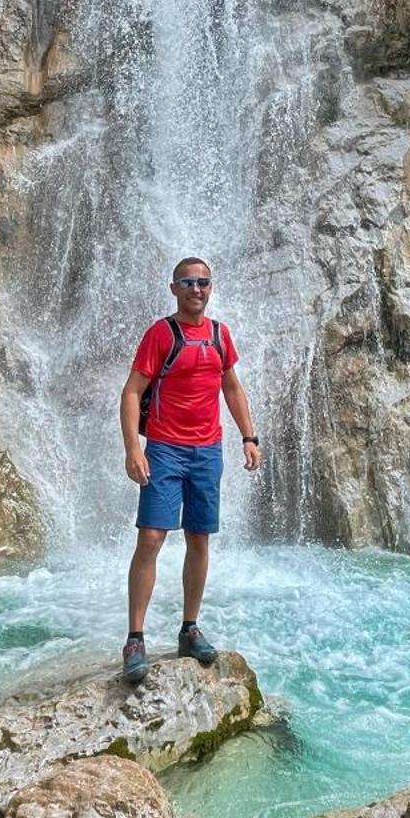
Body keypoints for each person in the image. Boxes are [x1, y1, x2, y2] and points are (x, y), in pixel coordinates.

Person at [118, 258, 261, 682]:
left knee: (199, 538)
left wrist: (249, 437)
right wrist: (133, 449)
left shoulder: (220, 334)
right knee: (152, 537)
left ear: (210, 287)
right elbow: (131, 393)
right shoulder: (161, 334)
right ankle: (135, 639)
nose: (196, 289)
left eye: (203, 282)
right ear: (174, 288)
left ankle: (189, 628)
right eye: (188, 282)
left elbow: (231, 387)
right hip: (163, 449)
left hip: (207, 451)